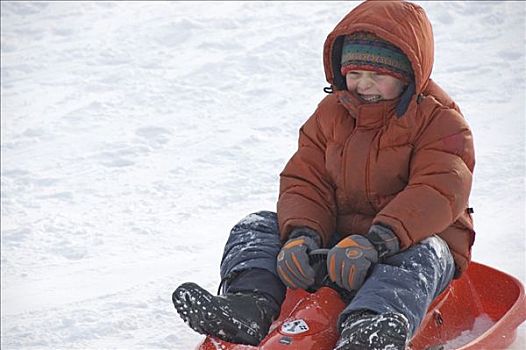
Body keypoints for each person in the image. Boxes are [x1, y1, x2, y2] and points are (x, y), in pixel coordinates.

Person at [172, 0, 475, 349]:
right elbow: (306, 178)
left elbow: (438, 189)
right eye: (355, 74)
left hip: (400, 244)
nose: (364, 85)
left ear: (407, 74)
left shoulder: (441, 122)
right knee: (257, 226)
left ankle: (371, 328)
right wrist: (302, 235)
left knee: (426, 252)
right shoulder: (332, 113)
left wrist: (376, 242)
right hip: (335, 247)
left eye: (377, 75)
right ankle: (248, 306)